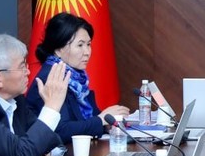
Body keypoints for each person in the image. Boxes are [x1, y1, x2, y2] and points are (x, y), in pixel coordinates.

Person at [26, 13, 129, 143]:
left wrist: (107, 124)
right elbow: (61, 131)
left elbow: (90, 119)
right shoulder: (51, 78)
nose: (87, 52)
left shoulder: (77, 79)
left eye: (88, 44)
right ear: (58, 49)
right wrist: (101, 120)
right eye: (80, 45)